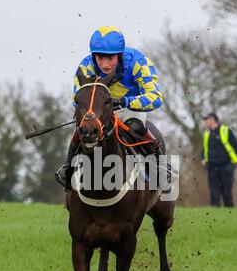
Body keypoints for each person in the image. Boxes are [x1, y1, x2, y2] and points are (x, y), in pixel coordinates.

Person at [55, 26, 163, 190]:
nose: (105, 64)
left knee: (136, 127)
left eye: (110, 58)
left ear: (119, 54)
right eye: (100, 58)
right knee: (83, 129)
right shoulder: (86, 67)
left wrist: (125, 102)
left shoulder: (138, 63)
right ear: (94, 55)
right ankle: (68, 168)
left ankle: (158, 167)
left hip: (130, 107)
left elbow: (156, 98)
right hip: (99, 111)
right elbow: (77, 99)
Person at [201, 113, 237, 207]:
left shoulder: (225, 131)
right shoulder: (207, 133)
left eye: (206, 120)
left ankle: (229, 210)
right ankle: (215, 210)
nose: (205, 122)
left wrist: (233, 163)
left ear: (212, 120)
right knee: (213, 190)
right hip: (211, 166)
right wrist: (203, 159)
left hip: (226, 165)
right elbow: (204, 149)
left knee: (226, 190)